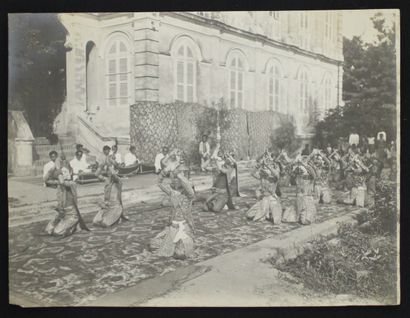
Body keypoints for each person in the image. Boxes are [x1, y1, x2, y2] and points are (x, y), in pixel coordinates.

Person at [150, 150, 196, 259]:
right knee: (153, 244)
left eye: (177, 179)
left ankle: (181, 244)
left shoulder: (188, 194)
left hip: (185, 228)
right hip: (173, 227)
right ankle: (172, 241)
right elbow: (159, 183)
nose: (174, 180)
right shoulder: (172, 193)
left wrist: (178, 174)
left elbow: (190, 191)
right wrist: (166, 170)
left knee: (181, 254)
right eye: (173, 178)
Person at [44, 158, 89, 236]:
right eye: (62, 172)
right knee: (48, 230)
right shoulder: (59, 183)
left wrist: (58, 169)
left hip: (71, 215)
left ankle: (73, 225)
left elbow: (62, 182)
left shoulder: (72, 183)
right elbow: (45, 180)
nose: (63, 174)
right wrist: (53, 167)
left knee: (57, 232)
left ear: (70, 173)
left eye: (65, 172)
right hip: (62, 213)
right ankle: (67, 226)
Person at [93, 145, 128, 227]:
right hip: (107, 205)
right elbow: (96, 173)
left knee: (105, 223)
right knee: (96, 221)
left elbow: (112, 173)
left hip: (115, 206)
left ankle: (118, 215)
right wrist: (104, 175)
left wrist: (110, 166)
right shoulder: (107, 178)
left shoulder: (118, 181)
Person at [246, 153, 282, 223]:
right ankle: (266, 213)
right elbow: (252, 173)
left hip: (272, 199)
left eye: (268, 166)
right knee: (249, 215)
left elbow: (276, 175)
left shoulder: (274, 177)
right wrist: (259, 165)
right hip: (263, 199)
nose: (265, 168)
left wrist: (268, 166)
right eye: (265, 167)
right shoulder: (262, 176)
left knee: (276, 220)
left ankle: (269, 213)